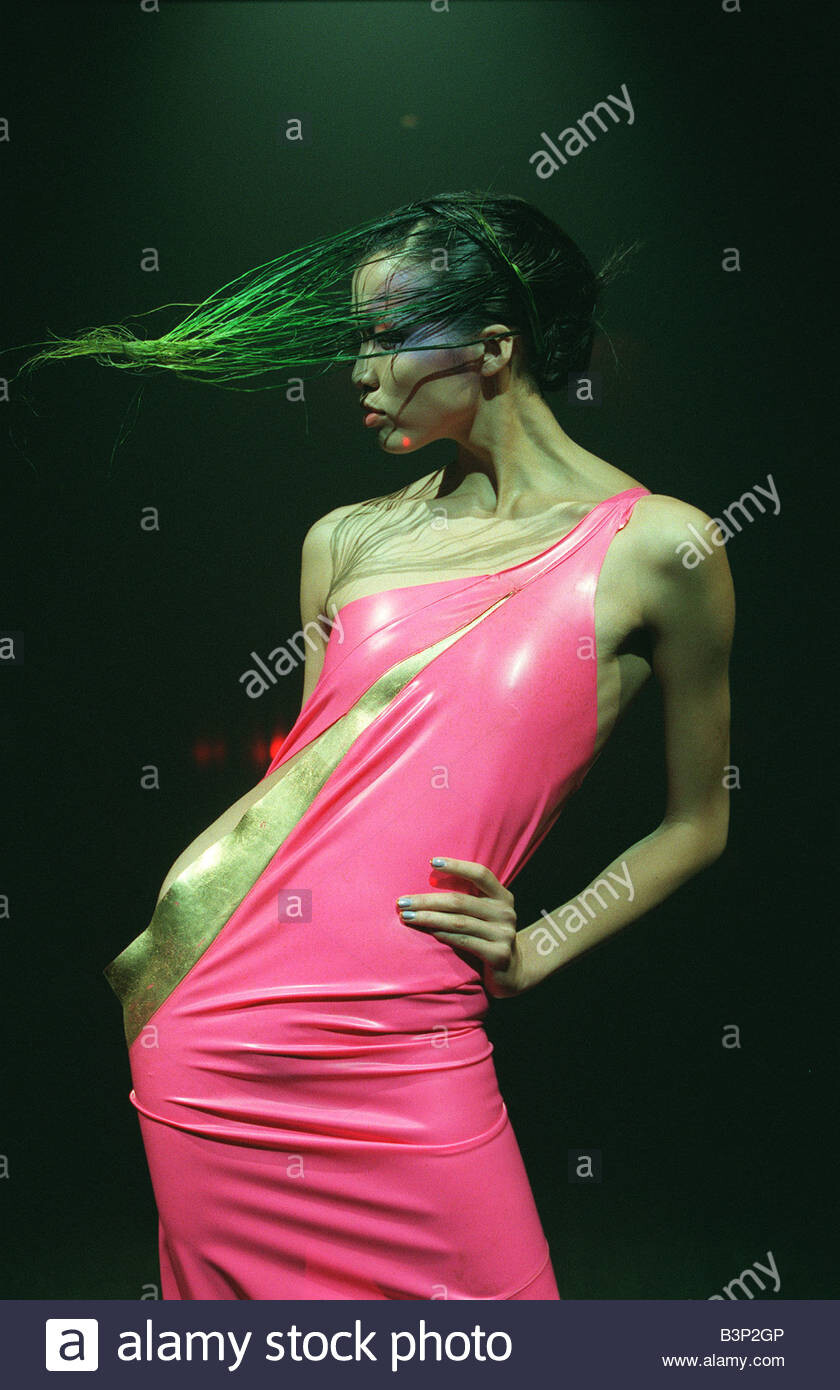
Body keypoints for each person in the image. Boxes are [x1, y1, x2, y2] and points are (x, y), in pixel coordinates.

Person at [18, 192, 734, 1299]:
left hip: (414, 1027)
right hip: (217, 1018)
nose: (357, 369)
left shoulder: (663, 548)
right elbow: (308, 791)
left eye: (387, 336)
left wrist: (540, 944)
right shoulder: (346, 539)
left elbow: (700, 822)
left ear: (492, 348)